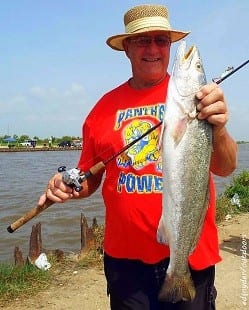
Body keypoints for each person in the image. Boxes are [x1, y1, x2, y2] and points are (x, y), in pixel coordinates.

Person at [38, 4, 238, 310]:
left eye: (161, 40)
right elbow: (89, 178)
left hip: (190, 256)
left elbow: (226, 167)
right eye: (143, 40)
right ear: (126, 48)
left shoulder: (202, 102)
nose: (153, 48)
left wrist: (220, 129)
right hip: (126, 264)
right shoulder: (102, 109)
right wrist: (66, 186)